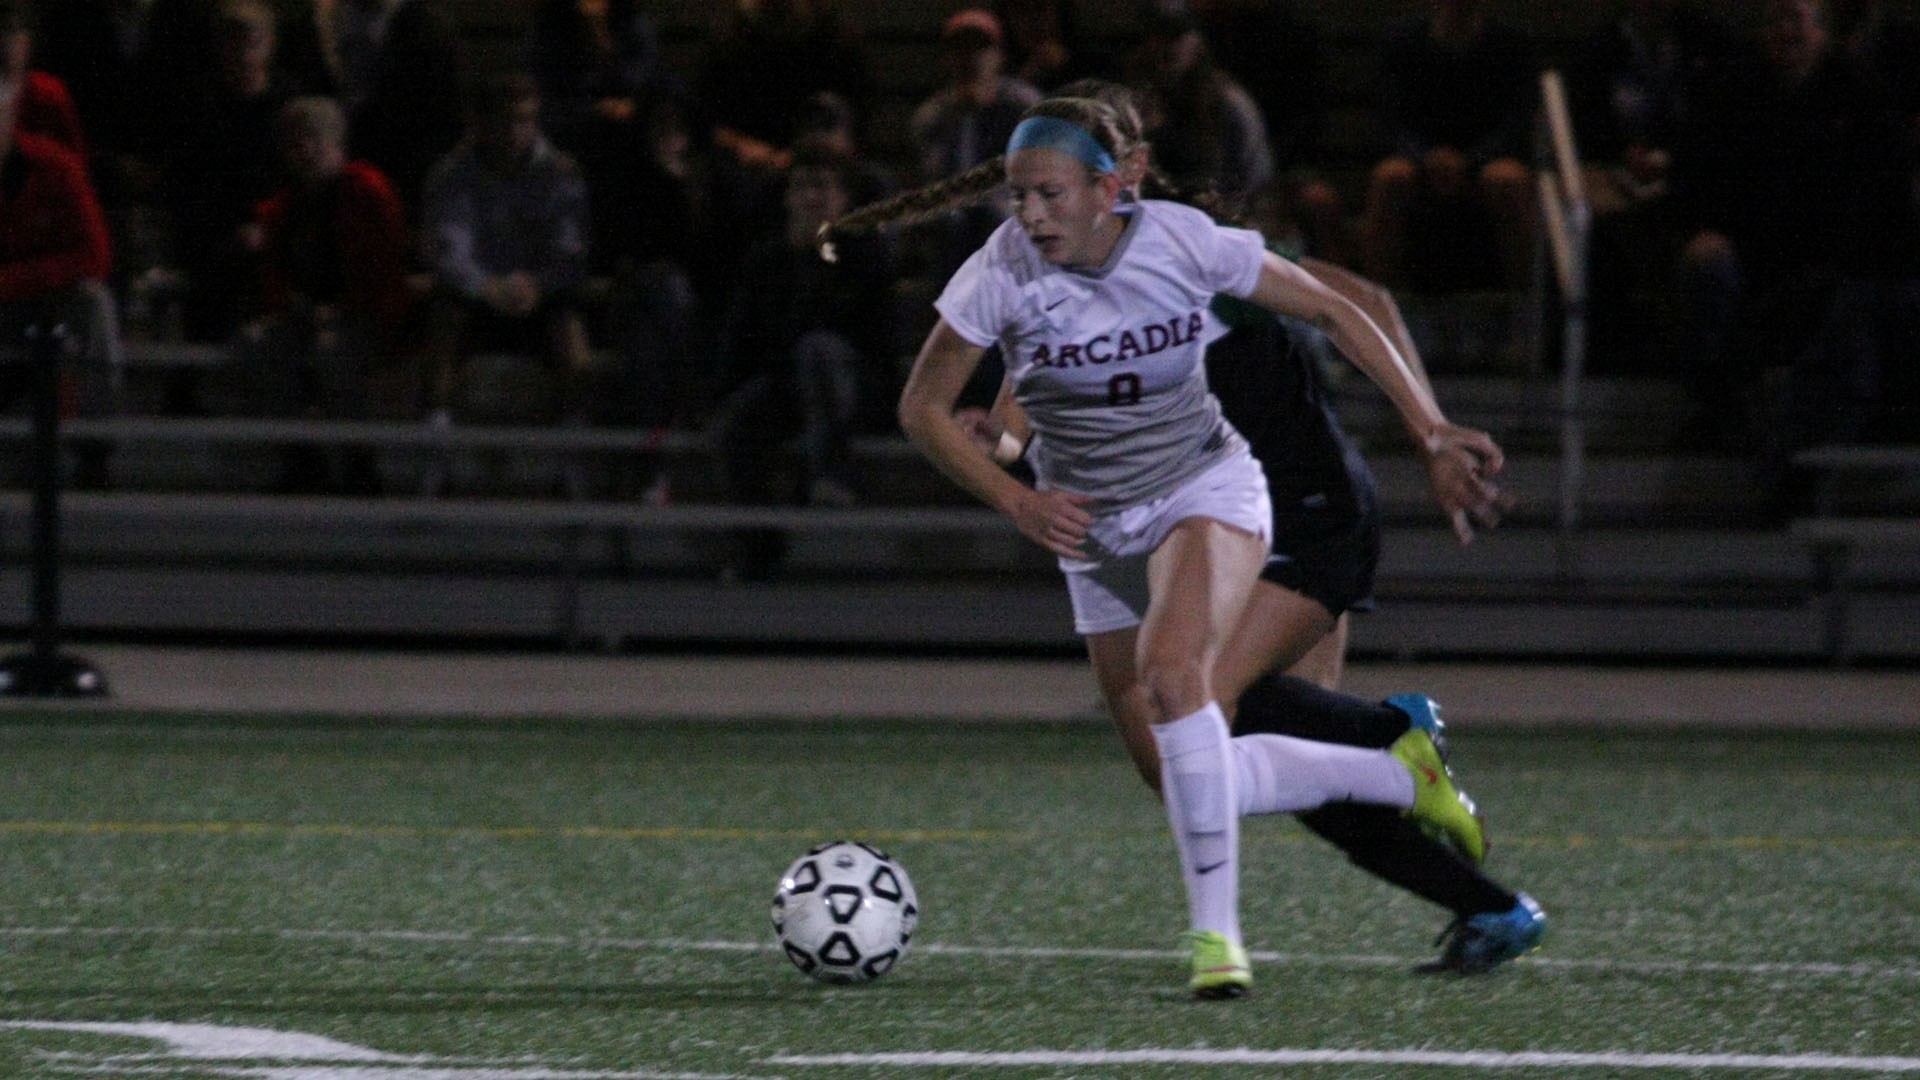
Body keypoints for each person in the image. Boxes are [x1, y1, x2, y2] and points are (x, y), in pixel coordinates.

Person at [833, 96, 1501, 997]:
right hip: (1099, 530)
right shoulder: (1011, 268)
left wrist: (1430, 431)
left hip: (1241, 495)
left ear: (1121, 182)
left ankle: (1222, 942)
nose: (1029, 215)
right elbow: (1006, 391)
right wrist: (1005, 474)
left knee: (1185, 683)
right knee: (1181, 767)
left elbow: (1350, 306)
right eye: (1018, 196)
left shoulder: (1195, 248)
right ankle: (1393, 769)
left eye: (1048, 194)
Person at [239, 95, 409, 492]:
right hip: (304, 316)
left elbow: (384, 271)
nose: (304, 150)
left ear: (337, 143)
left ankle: (359, 462)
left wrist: (342, 309)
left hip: (364, 316)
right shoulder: (282, 210)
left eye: (313, 138)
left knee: (333, 352)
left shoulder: (368, 194)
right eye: (294, 141)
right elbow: (277, 280)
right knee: (256, 343)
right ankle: (300, 458)